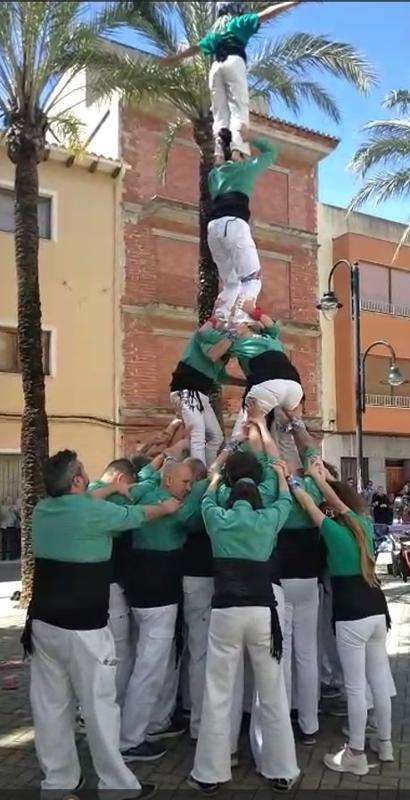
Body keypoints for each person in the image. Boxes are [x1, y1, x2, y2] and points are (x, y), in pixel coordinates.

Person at [25, 449, 180, 797]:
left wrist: (109, 488)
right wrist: (167, 508)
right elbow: (140, 514)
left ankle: (58, 782)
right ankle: (116, 784)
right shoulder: (96, 513)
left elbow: (87, 501)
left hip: (44, 624)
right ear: (78, 479)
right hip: (85, 628)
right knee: (100, 706)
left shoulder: (42, 510)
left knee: (50, 705)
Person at [189, 461, 300, 794]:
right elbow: (285, 501)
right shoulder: (267, 520)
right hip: (263, 612)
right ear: (255, 500)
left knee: (218, 693)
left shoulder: (218, 519)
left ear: (232, 498)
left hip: (225, 612)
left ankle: (209, 772)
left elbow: (205, 501)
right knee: (272, 693)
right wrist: (280, 473)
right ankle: (282, 769)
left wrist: (216, 478)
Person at [291, 463, 394, 776]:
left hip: (352, 614)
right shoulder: (362, 523)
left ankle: (356, 753)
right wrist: (325, 479)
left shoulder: (333, 531)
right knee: (378, 679)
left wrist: (294, 479)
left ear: (334, 509)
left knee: (354, 686)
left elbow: (309, 504)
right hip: (377, 609)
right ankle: (386, 744)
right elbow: (341, 501)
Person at [120, 460, 208, 763]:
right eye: (184, 481)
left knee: (153, 661)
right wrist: (217, 469)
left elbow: (142, 478)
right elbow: (197, 501)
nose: (187, 487)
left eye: (189, 482)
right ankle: (130, 739)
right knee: (149, 667)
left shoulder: (144, 495)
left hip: (141, 592)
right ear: (168, 479)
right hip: (158, 595)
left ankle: (156, 724)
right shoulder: (171, 507)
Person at [162, 1, 298, 156]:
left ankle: (219, 149)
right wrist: (293, 3)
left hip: (216, 68)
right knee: (238, 106)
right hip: (234, 61)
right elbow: (267, 13)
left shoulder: (215, 31)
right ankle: (238, 149)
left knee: (220, 111)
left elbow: (195, 48)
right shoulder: (238, 22)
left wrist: (175, 58)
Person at [206, 126, 277, 322]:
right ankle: (240, 322)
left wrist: (223, 144)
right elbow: (272, 152)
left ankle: (217, 321)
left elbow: (219, 161)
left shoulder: (214, 176)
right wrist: (251, 137)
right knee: (251, 279)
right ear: (241, 154)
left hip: (213, 229)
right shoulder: (245, 168)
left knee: (230, 283)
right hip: (234, 224)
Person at [208, 308, 303, 436]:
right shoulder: (271, 336)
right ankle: (309, 454)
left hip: (265, 387)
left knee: (245, 432)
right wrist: (253, 310)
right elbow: (268, 322)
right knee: (286, 435)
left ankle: (239, 452)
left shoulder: (239, 341)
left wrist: (232, 334)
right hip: (293, 387)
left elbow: (213, 355)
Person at [170, 324, 244, 466]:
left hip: (201, 395)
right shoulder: (205, 336)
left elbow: (221, 377)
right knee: (197, 430)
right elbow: (212, 354)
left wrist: (246, 382)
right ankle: (197, 472)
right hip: (185, 390)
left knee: (216, 436)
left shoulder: (224, 355)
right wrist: (232, 335)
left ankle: (207, 468)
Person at [0, 495, 18, 560]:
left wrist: (14, 511)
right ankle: (3, 556)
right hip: (4, 526)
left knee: (12, 542)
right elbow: (3, 516)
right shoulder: (3, 507)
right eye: (8, 499)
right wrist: (8, 510)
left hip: (12, 526)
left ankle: (12, 556)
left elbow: (16, 517)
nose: (9, 501)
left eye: (11, 499)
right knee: (4, 541)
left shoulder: (14, 507)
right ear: (5, 500)